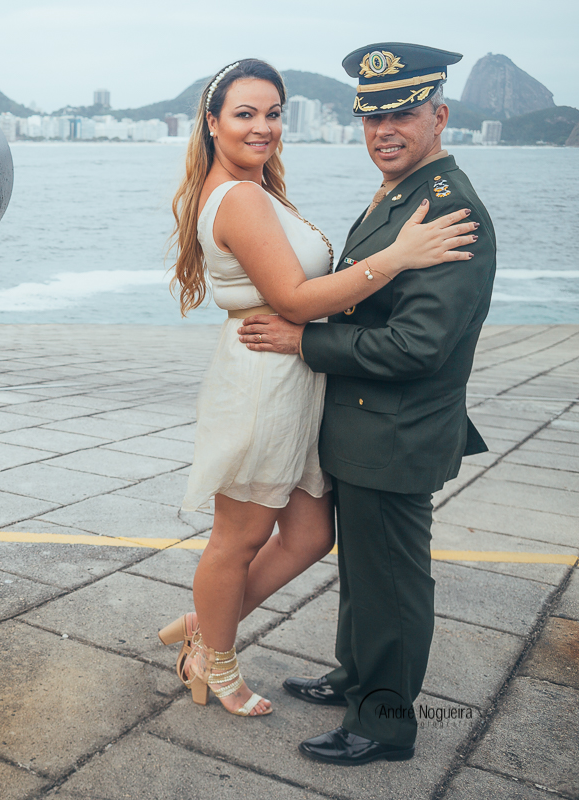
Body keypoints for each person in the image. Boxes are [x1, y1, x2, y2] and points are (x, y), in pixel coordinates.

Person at [159, 58, 477, 719]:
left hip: (295, 379)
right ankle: (214, 663)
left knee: (306, 535)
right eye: (244, 114)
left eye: (273, 113)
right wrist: (396, 257)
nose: (263, 127)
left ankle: (201, 627)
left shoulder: (255, 187)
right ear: (211, 123)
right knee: (236, 537)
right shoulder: (240, 196)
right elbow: (294, 301)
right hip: (263, 379)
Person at [238, 43, 496, 763]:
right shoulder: (403, 193)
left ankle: (381, 724)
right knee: (365, 573)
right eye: (372, 117)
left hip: (396, 433)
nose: (384, 130)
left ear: (438, 116)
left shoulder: (448, 213)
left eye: (404, 113)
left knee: (390, 583)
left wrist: (303, 341)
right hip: (366, 428)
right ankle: (356, 675)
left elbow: (419, 346)